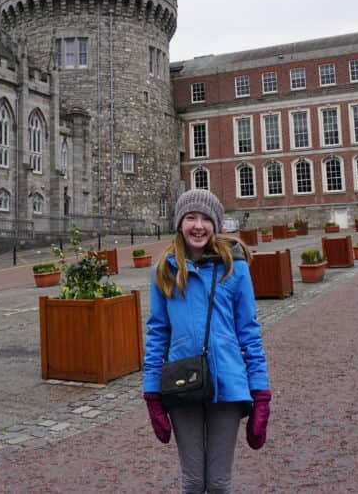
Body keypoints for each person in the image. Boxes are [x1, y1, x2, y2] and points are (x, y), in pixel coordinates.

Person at [142, 189, 271, 493]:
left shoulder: (235, 267)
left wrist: (261, 391)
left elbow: (249, 332)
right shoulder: (163, 271)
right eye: (190, 218)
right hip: (182, 383)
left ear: (215, 224)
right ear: (179, 223)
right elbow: (157, 332)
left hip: (227, 383)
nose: (198, 226)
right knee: (192, 480)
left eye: (205, 219)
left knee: (217, 481)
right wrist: (151, 392)